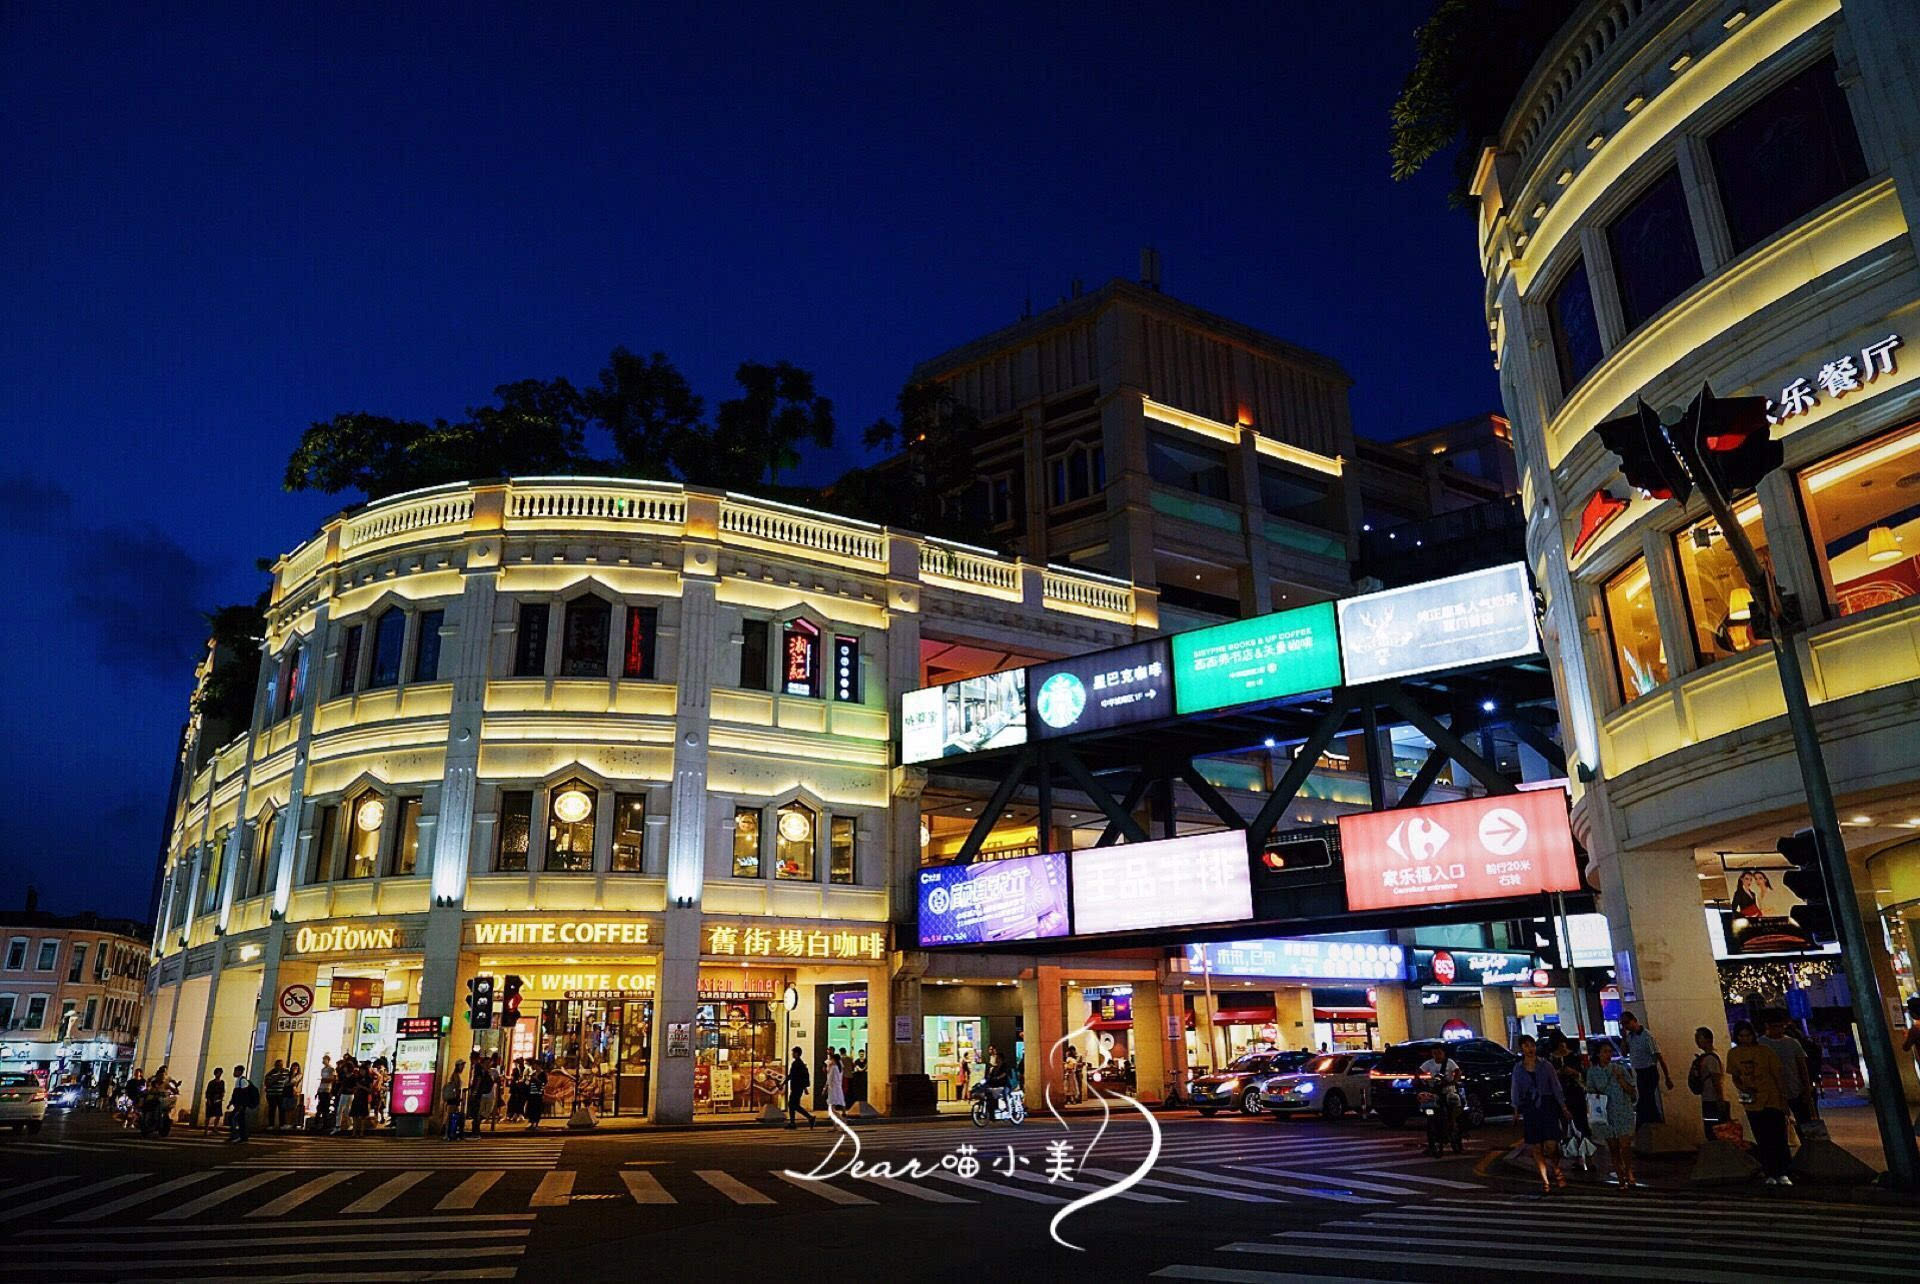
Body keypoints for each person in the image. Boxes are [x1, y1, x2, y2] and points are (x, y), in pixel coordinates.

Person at [1728, 1020, 1793, 1185]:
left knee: (1778, 1137)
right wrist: (1742, 1087)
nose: (1745, 1039)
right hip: (1752, 1101)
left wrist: (1783, 1098)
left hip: (1771, 1098)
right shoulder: (1734, 1054)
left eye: (1747, 1035)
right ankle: (1770, 1171)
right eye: (1741, 1036)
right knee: (1762, 1138)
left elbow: (1777, 1075)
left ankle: (1783, 1171)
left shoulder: (1765, 1052)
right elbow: (1735, 1075)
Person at [1511, 1034, 1569, 1194]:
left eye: (1532, 1045)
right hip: (1530, 1107)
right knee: (1536, 1147)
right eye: (1526, 1046)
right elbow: (1515, 1089)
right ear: (1521, 1048)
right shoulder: (1518, 1068)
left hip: (1547, 1105)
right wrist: (1516, 1109)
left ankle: (1556, 1168)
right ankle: (1545, 1181)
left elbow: (1556, 1086)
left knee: (1551, 1144)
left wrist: (1563, 1106)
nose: (1530, 1049)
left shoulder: (1546, 1065)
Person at [1584, 1038, 1638, 1189]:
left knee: (1625, 1145)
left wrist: (1621, 1080)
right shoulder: (1593, 1072)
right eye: (1604, 1052)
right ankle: (1620, 1175)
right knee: (1613, 1147)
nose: (1608, 1055)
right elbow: (1590, 1091)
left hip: (1622, 1110)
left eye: (1610, 1052)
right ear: (1598, 1054)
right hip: (1605, 1114)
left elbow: (1632, 1091)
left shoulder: (1619, 1069)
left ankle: (1629, 1171)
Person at [1760, 1009, 1816, 1130]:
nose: (1778, 1030)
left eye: (1781, 1026)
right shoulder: (1761, 1044)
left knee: (1804, 1124)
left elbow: (1802, 1066)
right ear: (1768, 1026)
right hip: (1773, 1093)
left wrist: (1807, 1088)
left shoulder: (1792, 1043)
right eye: (1775, 1027)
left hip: (1795, 1089)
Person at [1619, 1013, 1670, 1130]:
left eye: (1626, 1023)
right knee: (1647, 1100)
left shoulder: (1646, 1036)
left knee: (1645, 1099)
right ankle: (1654, 1123)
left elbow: (1658, 1056)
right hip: (1640, 1072)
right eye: (1623, 1024)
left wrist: (1667, 1076)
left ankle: (1644, 1125)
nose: (1625, 1026)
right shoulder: (1630, 1037)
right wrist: (1623, 1038)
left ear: (1634, 1020)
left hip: (1649, 1071)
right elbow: (1624, 1052)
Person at [1417, 1043, 1465, 1156]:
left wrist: (1453, 1081)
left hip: (1449, 1091)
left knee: (1455, 1112)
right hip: (1435, 1093)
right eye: (1434, 1053)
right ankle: (1432, 1145)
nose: (1436, 1055)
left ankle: (1456, 1137)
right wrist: (1424, 1081)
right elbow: (1419, 1071)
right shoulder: (1429, 1063)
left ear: (1443, 1052)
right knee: (1429, 1117)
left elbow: (1458, 1072)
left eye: (1438, 1052)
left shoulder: (1450, 1062)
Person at [1689, 1027, 1729, 1127]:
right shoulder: (1710, 1058)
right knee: (1715, 1126)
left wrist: (1720, 1099)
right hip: (1709, 1098)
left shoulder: (1710, 1059)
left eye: (1699, 1038)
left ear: (1708, 1039)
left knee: (1714, 1127)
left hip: (1712, 1099)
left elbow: (1716, 1080)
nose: (1697, 1041)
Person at [784, 1046, 814, 1129]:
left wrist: (783, 1083)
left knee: (792, 1104)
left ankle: (798, 1121)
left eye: (793, 1052)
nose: (792, 1054)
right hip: (798, 1087)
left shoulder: (796, 1063)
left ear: (796, 1053)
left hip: (796, 1087)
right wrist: (804, 1088)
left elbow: (791, 1075)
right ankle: (795, 1122)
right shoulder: (800, 1063)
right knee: (794, 1105)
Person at [227, 1065, 259, 1143]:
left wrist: (242, 1105)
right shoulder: (238, 1081)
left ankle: (238, 1136)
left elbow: (244, 1094)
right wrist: (231, 1102)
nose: (234, 1073)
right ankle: (238, 1136)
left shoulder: (243, 1081)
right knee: (237, 1119)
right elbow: (235, 1094)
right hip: (238, 1105)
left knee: (236, 1119)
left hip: (241, 1105)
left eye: (236, 1071)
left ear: (240, 1072)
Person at [467, 1055, 494, 1136]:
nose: (488, 1065)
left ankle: (476, 1128)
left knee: (483, 1112)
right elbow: (478, 1081)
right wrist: (475, 1092)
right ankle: (475, 1129)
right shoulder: (479, 1069)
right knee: (478, 1111)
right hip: (480, 1094)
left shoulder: (485, 1071)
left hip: (484, 1093)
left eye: (489, 1063)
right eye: (487, 1063)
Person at [262, 1059, 289, 1131]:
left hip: (281, 1094)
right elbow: (267, 1083)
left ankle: (282, 1124)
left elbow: (289, 1080)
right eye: (278, 1065)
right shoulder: (270, 1073)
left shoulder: (286, 1072)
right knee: (272, 1109)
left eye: (281, 1065)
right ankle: (271, 1125)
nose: (279, 1067)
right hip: (272, 1094)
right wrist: (276, 1078)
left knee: (282, 1109)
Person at [444, 1059, 467, 1141]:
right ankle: (449, 1134)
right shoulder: (455, 1075)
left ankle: (450, 1133)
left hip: (454, 1099)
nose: (463, 1068)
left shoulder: (455, 1075)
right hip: (453, 1099)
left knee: (452, 1116)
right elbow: (456, 1088)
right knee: (451, 1116)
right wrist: (458, 1097)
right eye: (462, 1066)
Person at [202, 1067, 227, 1135]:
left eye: (220, 1073)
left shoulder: (222, 1082)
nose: (219, 1074)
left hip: (218, 1100)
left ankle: (215, 1128)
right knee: (208, 1115)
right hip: (211, 1099)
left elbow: (222, 1091)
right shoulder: (211, 1082)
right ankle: (206, 1129)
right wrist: (209, 1100)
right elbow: (208, 1092)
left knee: (218, 1115)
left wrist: (221, 1097)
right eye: (218, 1073)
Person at [316, 1055, 336, 1132]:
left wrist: (325, 1080)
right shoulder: (323, 1069)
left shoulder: (331, 1069)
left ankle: (325, 1124)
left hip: (327, 1090)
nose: (323, 1061)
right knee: (320, 1106)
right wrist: (318, 1090)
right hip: (322, 1089)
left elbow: (333, 1079)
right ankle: (318, 1123)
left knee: (325, 1107)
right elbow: (322, 1080)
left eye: (324, 1059)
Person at [525, 1062, 547, 1130]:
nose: (535, 1067)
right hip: (532, 1092)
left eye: (536, 1065)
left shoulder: (543, 1074)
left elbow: (544, 1083)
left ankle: (536, 1123)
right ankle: (531, 1122)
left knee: (537, 1108)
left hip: (538, 1093)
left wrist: (536, 1079)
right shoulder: (533, 1073)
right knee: (531, 1107)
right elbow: (530, 1082)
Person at [283, 1060, 304, 1131]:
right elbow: (285, 1083)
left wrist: (292, 1078)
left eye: (296, 1067)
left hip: (294, 1093)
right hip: (286, 1092)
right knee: (286, 1108)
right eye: (293, 1067)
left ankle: (291, 1123)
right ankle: (286, 1123)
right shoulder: (288, 1075)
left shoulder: (299, 1075)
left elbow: (293, 1081)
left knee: (292, 1108)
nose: (294, 1068)